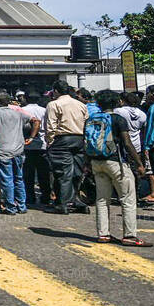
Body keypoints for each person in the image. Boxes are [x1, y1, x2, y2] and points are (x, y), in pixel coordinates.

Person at [85, 90, 150, 246]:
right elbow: (127, 144)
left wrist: (87, 164)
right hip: (116, 162)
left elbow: (85, 142)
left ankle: (104, 234)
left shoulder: (90, 119)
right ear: (117, 102)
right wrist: (140, 163)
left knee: (101, 200)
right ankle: (129, 236)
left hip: (96, 162)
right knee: (127, 199)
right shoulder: (118, 119)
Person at [0, 90, 38, 215]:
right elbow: (35, 121)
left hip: (4, 150)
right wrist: (31, 137)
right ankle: (21, 205)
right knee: (19, 178)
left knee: (7, 180)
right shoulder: (18, 112)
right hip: (18, 150)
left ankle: (11, 206)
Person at [45, 85, 89, 215]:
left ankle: (62, 203)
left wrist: (50, 141)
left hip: (62, 139)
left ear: (56, 91)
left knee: (62, 173)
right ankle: (75, 199)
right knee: (77, 172)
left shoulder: (54, 104)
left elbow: (51, 125)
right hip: (79, 138)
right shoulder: (80, 105)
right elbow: (86, 122)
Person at [21, 91, 51, 207]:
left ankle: (30, 196)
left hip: (27, 144)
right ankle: (45, 196)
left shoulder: (23, 110)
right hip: (42, 144)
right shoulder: (44, 110)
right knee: (43, 173)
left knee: (28, 173)